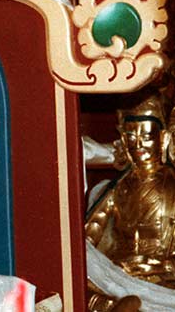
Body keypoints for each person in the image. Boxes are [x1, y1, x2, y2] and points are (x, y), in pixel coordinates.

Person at [85, 93, 175, 285]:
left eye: (147, 136)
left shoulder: (172, 186)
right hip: (119, 276)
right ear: (124, 141)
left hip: (163, 278)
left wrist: (161, 266)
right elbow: (88, 238)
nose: (139, 145)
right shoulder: (116, 188)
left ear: (164, 138)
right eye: (132, 137)